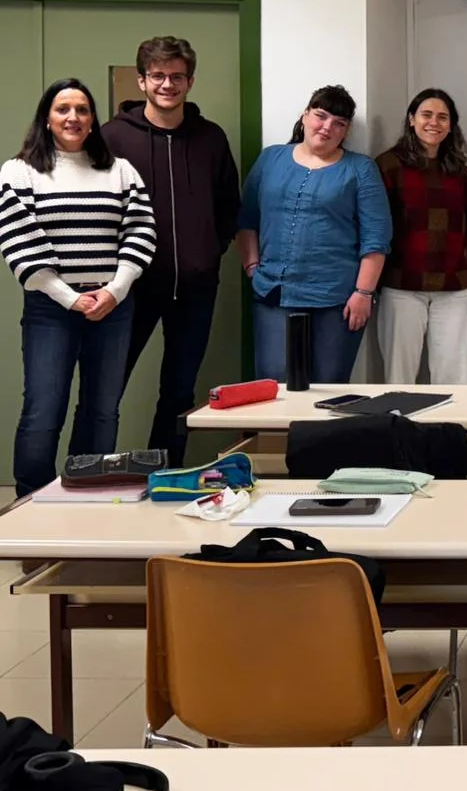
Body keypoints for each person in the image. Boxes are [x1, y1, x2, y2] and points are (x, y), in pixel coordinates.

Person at [0, 80, 156, 497]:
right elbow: (20, 241)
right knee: (42, 411)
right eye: (63, 109)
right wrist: (70, 297)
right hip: (51, 308)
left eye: (83, 110)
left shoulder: (120, 170)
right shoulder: (19, 171)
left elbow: (141, 231)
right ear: (47, 119)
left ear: (93, 120)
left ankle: (86, 497)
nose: (73, 117)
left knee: (102, 412)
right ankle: (30, 503)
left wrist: (116, 290)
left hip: (113, 306)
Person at [102, 36, 240, 464]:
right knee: (108, 386)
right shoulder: (112, 138)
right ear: (142, 80)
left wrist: (208, 252)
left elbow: (228, 205)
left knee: (180, 391)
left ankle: (163, 472)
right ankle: (89, 473)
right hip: (131, 288)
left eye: (177, 76)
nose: (168, 84)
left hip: (196, 289)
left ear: (190, 81)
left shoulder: (210, 138)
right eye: (158, 76)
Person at [237, 86, 390, 384]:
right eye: (320, 116)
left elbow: (376, 237)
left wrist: (363, 293)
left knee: (328, 388)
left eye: (339, 123)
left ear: (345, 131)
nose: (327, 127)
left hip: (337, 299)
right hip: (274, 294)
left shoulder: (361, 169)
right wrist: (252, 267)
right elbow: (246, 219)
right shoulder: (271, 159)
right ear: (305, 116)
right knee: (274, 386)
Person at [373, 89, 467, 385]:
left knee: (456, 376)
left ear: (451, 125)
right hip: (402, 285)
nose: (434, 122)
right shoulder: (388, 165)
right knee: (399, 376)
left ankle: (453, 431)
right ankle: (398, 432)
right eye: (426, 115)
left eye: (443, 117)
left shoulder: (460, 171)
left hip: (453, 286)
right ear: (411, 119)